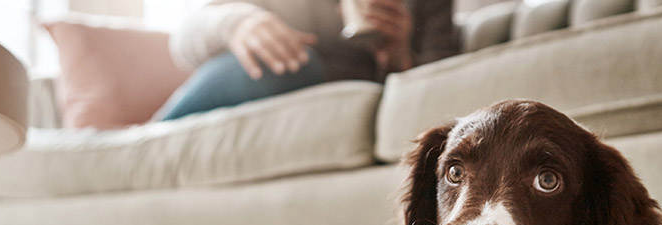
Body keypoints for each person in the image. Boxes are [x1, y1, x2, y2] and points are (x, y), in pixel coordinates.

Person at [155, 0, 457, 121]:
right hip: (261, 80)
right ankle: (151, 135)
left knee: (301, 65)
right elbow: (182, 43)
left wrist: (397, 57)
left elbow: (440, 99)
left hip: (352, 98)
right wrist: (238, 23)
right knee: (296, 64)